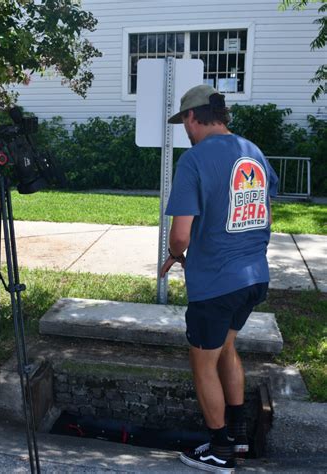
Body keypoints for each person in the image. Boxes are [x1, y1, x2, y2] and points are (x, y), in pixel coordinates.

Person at [160, 84, 278, 473]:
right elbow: (265, 208)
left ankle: (220, 448)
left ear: (194, 117)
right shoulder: (253, 152)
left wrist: (176, 255)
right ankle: (240, 435)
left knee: (202, 362)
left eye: (185, 123)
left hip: (216, 282)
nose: (186, 131)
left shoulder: (194, 160)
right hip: (253, 277)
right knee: (226, 349)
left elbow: (180, 234)